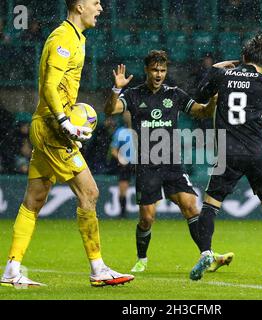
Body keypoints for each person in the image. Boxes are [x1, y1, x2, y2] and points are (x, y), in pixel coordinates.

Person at [0, 0, 134, 288]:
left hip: (47, 125)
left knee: (34, 198)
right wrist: (64, 122)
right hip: (52, 128)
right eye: (95, 2)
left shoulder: (77, 38)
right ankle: (98, 269)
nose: (100, 7)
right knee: (90, 191)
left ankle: (12, 269)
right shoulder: (63, 37)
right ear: (79, 6)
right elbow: (49, 84)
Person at [104, 50, 234, 273]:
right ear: (147, 70)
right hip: (147, 165)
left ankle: (207, 256)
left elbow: (202, 112)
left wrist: (213, 101)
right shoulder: (134, 95)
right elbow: (110, 110)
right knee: (147, 218)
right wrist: (117, 88)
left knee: (191, 206)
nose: (158, 74)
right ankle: (142, 258)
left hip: (172, 163)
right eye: (155, 70)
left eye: (162, 70)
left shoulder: (174, 94)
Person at [189, 35, 262, 281]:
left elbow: (199, 97)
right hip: (256, 153)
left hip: (226, 152)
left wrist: (214, 69)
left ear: (243, 57)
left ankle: (205, 252)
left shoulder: (222, 76)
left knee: (210, 205)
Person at [110, 111, 135, 218]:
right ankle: (123, 213)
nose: (127, 116)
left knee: (146, 187)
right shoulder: (120, 131)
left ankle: (147, 213)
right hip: (126, 163)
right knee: (123, 188)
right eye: (126, 114)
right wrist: (121, 158)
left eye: (129, 113)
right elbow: (113, 150)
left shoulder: (141, 129)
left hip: (139, 163)